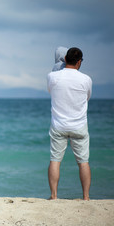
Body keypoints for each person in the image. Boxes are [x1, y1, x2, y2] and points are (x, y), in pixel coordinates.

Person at [47, 47, 92, 200]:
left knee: (55, 160)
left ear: (65, 59)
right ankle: (86, 197)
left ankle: (54, 196)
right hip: (78, 125)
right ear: (79, 62)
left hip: (59, 125)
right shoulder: (86, 79)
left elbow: (50, 91)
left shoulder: (52, 77)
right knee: (83, 162)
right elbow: (87, 98)